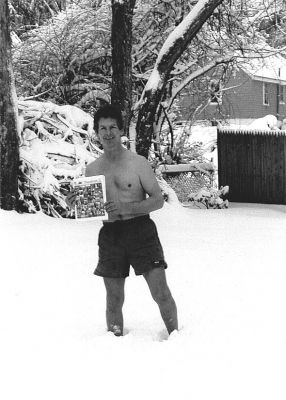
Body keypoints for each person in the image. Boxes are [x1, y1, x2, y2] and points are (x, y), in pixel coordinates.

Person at [67, 104, 178, 336]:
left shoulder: (137, 163)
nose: (108, 133)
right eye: (103, 128)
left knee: (160, 292)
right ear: (97, 132)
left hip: (141, 231)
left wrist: (127, 207)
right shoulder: (93, 169)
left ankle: (177, 339)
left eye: (113, 127)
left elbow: (157, 200)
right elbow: (92, 209)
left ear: (121, 130)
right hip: (111, 236)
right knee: (113, 299)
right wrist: (76, 203)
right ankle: (114, 345)